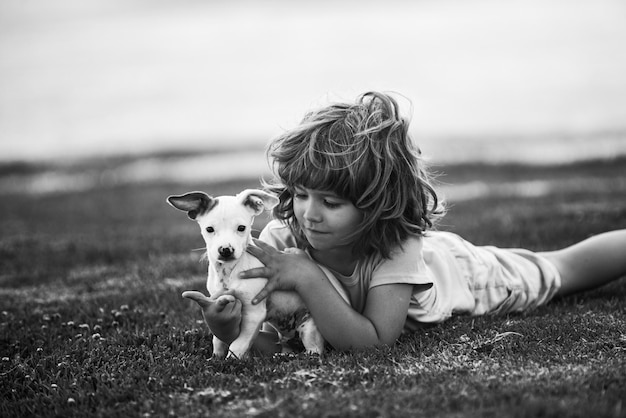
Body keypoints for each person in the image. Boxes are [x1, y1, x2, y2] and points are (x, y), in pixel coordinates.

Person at [198, 91, 626, 353]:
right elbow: (278, 338)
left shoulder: (393, 245)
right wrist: (228, 325)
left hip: (461, 273)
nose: (309, 213)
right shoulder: (278, 241)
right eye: (302, 194)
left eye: (331, 202)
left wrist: (309, 276)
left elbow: (373, 342)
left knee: (558, 269)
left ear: (375, 203)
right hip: (427, 259)